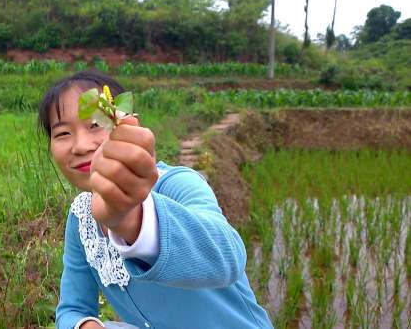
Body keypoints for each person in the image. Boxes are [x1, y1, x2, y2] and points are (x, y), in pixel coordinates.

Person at [38, 70, 273, 329]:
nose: (81, 145)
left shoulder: (177, 183)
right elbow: (72, 308)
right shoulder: (81, 219)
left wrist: (132, 219)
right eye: (62, 134)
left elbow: (228, 258)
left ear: (124, 125)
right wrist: (86, 326)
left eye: (95, 125)